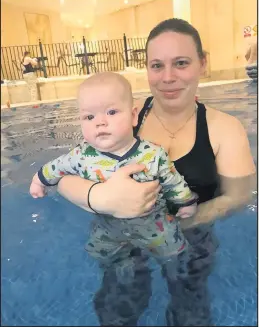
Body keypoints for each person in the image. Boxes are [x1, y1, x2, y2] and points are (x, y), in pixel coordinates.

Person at [55, 19, 256, 326]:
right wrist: (99, 197)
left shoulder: (225, 129)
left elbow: (239, 196)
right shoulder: (121, 118)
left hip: (192, 235)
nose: (168, 77)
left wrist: (174, 225)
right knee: (116, 309)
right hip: (123, 237)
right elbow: (65, 175)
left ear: (203, 63)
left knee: (190, 310)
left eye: (181, 63)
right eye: (157, 65)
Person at [30, 72, 199, 265]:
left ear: (134, 116)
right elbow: (56, 167)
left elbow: (172, 180)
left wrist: (185, 202)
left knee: (174, 253)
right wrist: (38, 180)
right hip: (107, 226)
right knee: (99, 253)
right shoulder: (81, 156)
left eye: (111, 112)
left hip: (154, 224)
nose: (100, 122)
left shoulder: (153, 154)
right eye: (89, 116)